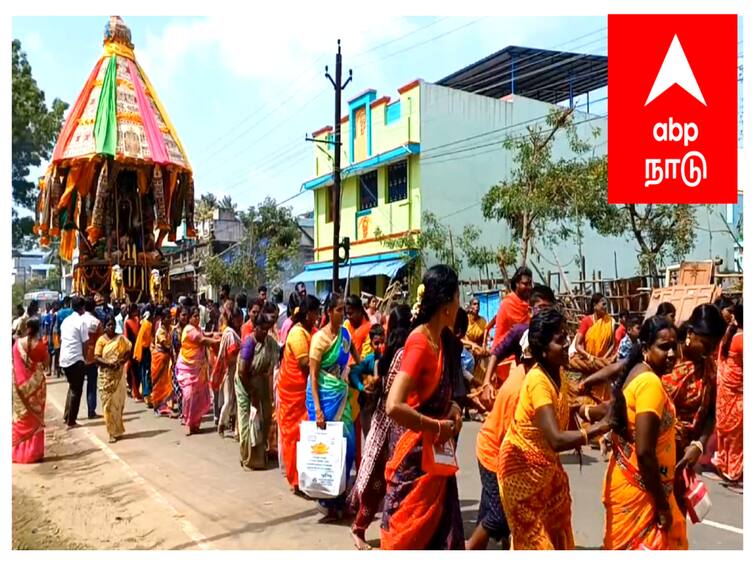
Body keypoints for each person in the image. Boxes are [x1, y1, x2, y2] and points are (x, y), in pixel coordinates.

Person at [498, 308, 610, 550]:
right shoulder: (538, 381)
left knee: (559, 528)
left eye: (566, 336)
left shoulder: (557, 372)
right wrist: (600, 428)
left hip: (547, 472)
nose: (567, 343)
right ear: (543, 348)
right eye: (560, 340)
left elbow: (569, 408)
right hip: (522, 474)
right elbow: (556, 439)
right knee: (536, 545)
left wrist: (602, 410)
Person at [381, 265, 465, 549]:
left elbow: (435, 393)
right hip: (416, 460)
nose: (459, 305)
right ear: (445, 305)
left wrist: (452, 406)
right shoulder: (419, 343)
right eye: (457, 298)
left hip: (436, 459)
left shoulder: (440, 339)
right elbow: (394, 405)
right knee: (411, 538)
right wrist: (436, 426)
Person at [466, 288, 557, 551]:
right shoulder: (523, 385)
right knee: (498, 516)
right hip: (495, 453)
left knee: (492, 513)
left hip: (502, 450)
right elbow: (510, 436)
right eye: (560, 341)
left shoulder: (539, 378)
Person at [603, 316, 687, 550]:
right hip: (643, 491)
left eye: (674, 346)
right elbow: (645, 452)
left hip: (631, 484)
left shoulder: (638, 372)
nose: (671, 354)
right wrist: (662, 505)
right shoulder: (650, 383)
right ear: (646, 348)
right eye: (663, 347)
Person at [349, 304, 412, 550]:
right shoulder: (396, 354)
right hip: (389, 426)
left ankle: (389, 530)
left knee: (390, 483)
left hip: (396, 426)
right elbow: (355, 373)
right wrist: (368, 385)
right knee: (377, 481)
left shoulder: (397, 352)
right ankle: (359, 528)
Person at [662, 304, 726, 514]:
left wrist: (699, 444)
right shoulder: (667, 360)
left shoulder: (708, 367)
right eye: (706, 345)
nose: (710, 353)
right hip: (656, 452)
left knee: (675, 522)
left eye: (714, 347)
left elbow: (710, 414)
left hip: (684, 457)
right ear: (690, 334)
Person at [307, 292, 361, 521]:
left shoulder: (346, 335)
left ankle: (340, 498)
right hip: (323, 397)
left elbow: (356, 359)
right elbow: (313, 375)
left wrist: (366, 374)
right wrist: (318, 409)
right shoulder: (319, 339)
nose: (343, 314)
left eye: (344, 310)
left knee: (347, 448)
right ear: (329, 312)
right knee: (326, 450)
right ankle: (328, 501)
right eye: (339, 310)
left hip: (342, 394)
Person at [479, 284, 556, 408]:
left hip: (550, 392)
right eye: (541, 308)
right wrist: (486, 382)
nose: (545, 313)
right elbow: (496, 353)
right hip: (524, 395)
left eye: (549, 309)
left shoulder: (558, 335)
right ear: (530, 312)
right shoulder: (520, 332)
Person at [277, 294, 320, 492]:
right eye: (315, 312)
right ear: (307, 313)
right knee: (294, 436)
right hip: (293, 392)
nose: (317, 316)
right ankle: (296, 480)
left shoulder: (312, 331)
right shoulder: (297, 333)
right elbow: (305, 364)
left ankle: (308, 476)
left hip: (307, 391)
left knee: (307, 436)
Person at [236, 303, 280, 469]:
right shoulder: (249, 344)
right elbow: (242, 372)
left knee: (266, 417)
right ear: (256, 328)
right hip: (245, 383)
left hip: (260, 382)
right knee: (248, 420)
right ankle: (248, 456)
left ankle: (262, 453)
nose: (265, 333)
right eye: (262, 329)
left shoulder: (269, 343)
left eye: (267, 330)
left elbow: (276, 361)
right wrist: (252, 393)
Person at [176, 307, 220, 435]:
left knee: (199, 396)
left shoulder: (198, 329)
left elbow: (206, 335)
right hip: (187, 368)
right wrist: (217, 342)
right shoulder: (189, 330)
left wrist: (221, 334)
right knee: (189, 395)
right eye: (194, 316)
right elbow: (202, 340)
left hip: (198, 369)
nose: (197, 318)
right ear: (189, 318)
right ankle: (188, 420)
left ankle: (195, 423)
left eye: (198, 316)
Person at [713, 302, 743, 485]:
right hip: (737, 392)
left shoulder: (729, 334)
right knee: (738, 433)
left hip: (726, 392)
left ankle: (725, 464)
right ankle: (734, 469)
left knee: (729, 431)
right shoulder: (742, 339)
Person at [12, 317, 49, 463]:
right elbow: (46, 363)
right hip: (36, 387)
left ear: (27, 328)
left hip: (19, 386)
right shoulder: (39, 345)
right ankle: (34, 453)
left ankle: (17, 452)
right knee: (35, 419)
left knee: (21, 418)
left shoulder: (17, 345)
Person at [569, 293, 616, 399]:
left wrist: (602, 359)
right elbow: (578, 344)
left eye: (606, 304)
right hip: (589, 364)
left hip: (602, 364)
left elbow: (612, 343)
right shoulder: (586, 321)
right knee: (588, 395)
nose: (605, 307)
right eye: (603, 304)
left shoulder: (610, 322)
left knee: (603, 397)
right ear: (595, 306)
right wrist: (589, 356)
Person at [94, 316, 132, 443]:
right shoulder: (101, 340)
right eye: (108, 325)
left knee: (118, 403)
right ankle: (111, 432)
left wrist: (121, 362)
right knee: (108, 405)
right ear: (104, 326)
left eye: (113, 325)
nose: (111, 327)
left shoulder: (120, 339)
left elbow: (128, 351)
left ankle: (118, 429)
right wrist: (109, 364)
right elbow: (97, 358)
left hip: (119, 374)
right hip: (106, 375)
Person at [348, 324, 386, 437]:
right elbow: (354, 373)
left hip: (384, 408)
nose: (380, 346)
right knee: (370, 438)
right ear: (371, 344)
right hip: (369, 407)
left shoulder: (389, 359)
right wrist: (361, 387)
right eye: (376, 343)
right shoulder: (370, 360)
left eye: (382, 342)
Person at [60, 297, 89, 428]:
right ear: (82, 308)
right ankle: (71, 420)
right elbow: (85, 343)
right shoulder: (81, 322)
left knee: (72, 387)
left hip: (64, 359)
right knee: (77, 390)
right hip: (75, 359)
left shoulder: (66, 321)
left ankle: (66, 415)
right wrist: (85, 358)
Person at [213, 311, 242, 437]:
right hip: (229, 369)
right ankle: (221, 424)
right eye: (237, 319)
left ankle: (235, 428)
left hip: (235, 368)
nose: (239, 321)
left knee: (235, 399)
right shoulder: (230, 333)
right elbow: (230, 353)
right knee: (229, 399)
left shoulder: (234, 332)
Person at [491, 266, 532, 349]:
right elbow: (523, 330)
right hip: (505, 355)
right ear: (517, 284)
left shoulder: (527, 304)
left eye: (530, 284)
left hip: (522, 351)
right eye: (525, 284)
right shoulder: (508, 303)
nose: (529, 287)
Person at [81, 297, 103, 419]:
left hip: (79, 356)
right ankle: (91, 411)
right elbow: (101, 341)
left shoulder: (79, 320)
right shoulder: (96, 322)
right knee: (92, 385)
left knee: (76, 387)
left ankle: (71, 413)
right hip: (92, 357)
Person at [150, 308, 174, 416]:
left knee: (167, 381)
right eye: (168, 317)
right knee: (158, 382)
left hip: (167, 358)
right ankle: (157, 405)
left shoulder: (169, 329)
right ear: (163, 319)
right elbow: (166, 345)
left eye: (170, 317)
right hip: (159, 358)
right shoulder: (160, 331)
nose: (170, 319)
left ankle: (165, 405)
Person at [170, 307, 189, 419]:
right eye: (183, 315)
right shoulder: (175, 331)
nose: (185, 317)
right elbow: (173, 348)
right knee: (180, 391)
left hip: (190, 363)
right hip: (178, 363)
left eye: (186, 315)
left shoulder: (190, 329)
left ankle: (188, 413)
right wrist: (175, 363)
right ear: (178, 317)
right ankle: (183, 412)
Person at [133, 307, 154, 407]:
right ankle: (146, 394)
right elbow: (143, 339)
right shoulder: (147, 324)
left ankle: (146, 393)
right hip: (144, 351)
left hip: (144, 350)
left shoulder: (146, 324)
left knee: (145, 372)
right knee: (146, 372)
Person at [123, 304, 142, 400]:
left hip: (137, 347)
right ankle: (135, 392)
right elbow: (126, 337)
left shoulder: (137, 320)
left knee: (136, 371)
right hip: (132, 349)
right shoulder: (128, 322)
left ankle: (136, 391)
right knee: (133, 372)